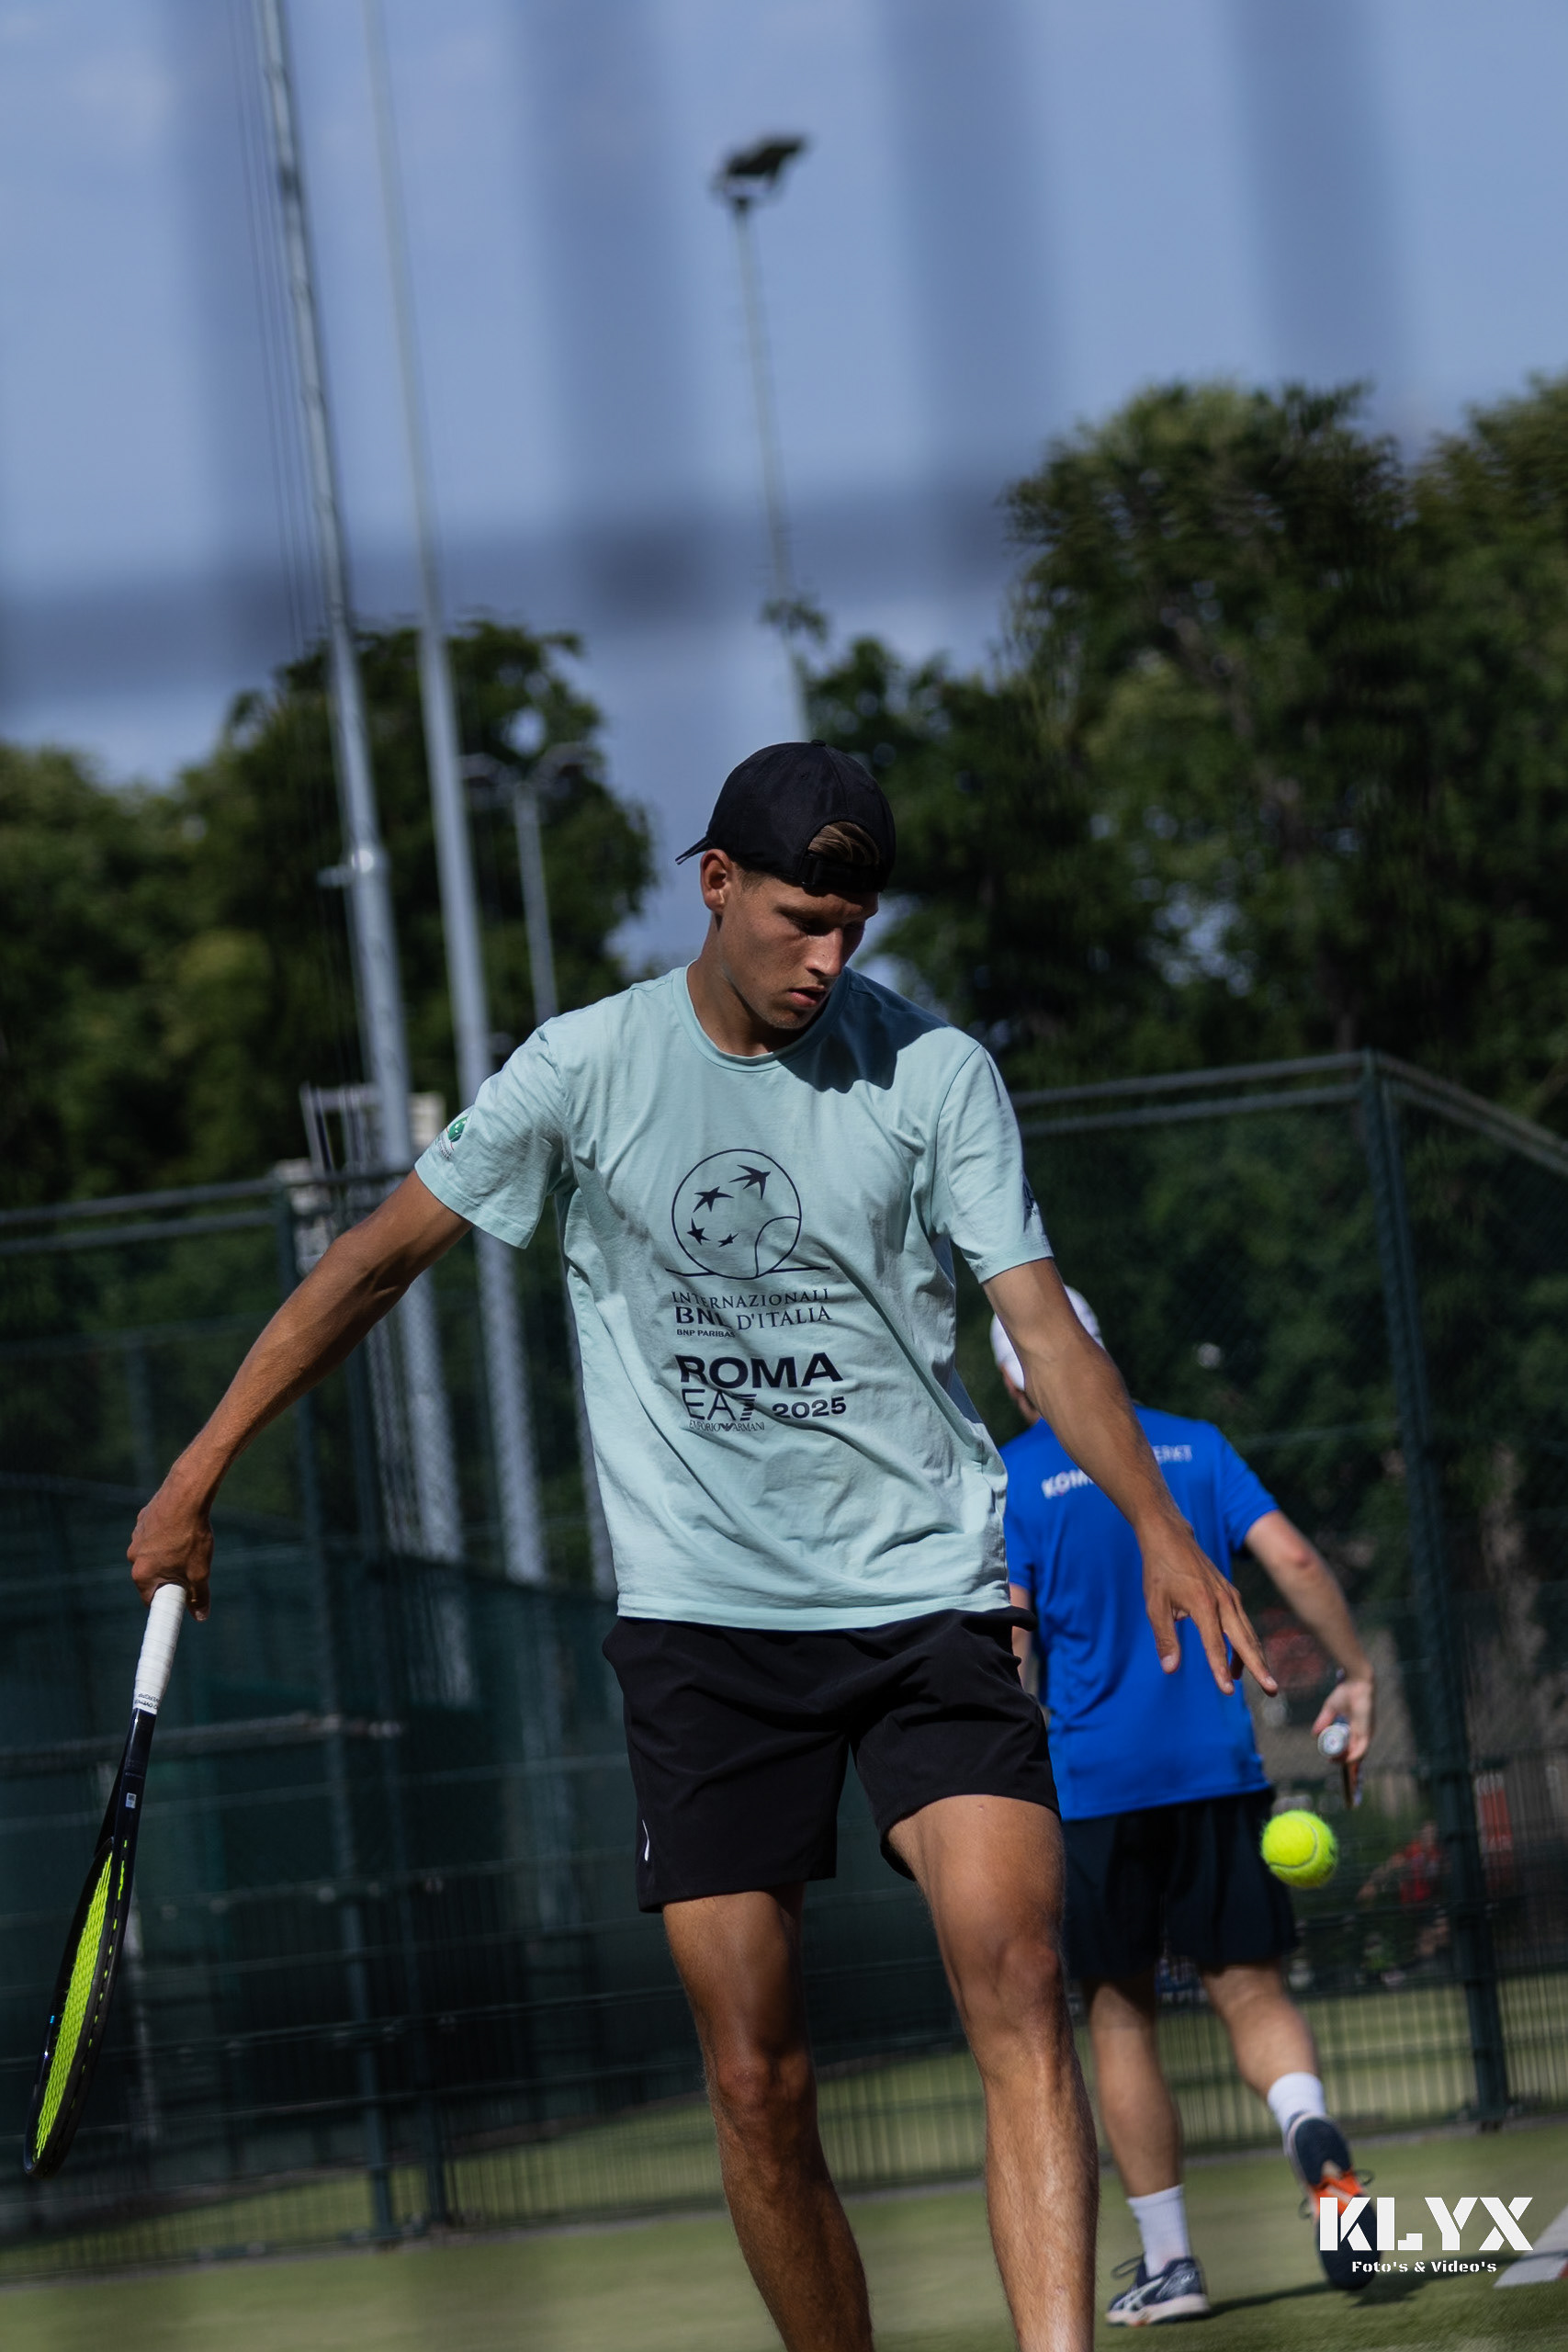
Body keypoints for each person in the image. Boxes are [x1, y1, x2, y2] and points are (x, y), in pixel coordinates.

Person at [130, 741, 1275, 2352]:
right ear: (716, 885)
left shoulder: (933, 1072)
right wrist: (197, 1470)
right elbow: (376, 1263)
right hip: (704, 1632)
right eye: (801, 919)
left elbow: (1038, 1325)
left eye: (853, 928)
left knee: (1018, 1978)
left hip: (927, 1600)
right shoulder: (582, 1068)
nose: (828, 958)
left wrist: (1157, 1523)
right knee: (752, 2077)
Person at [991, 1299, 1376, 2324]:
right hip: (1218, 1770)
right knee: (1252, 1995)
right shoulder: (1196, 1445)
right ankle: (1309, 2136)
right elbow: (1294, 1560)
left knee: (1120, 2017)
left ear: (1016, 1381)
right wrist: (1355, 1670)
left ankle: (1171, 2264)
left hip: (1094, 1789)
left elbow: (1011, 1646)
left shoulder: (1012, 1480)